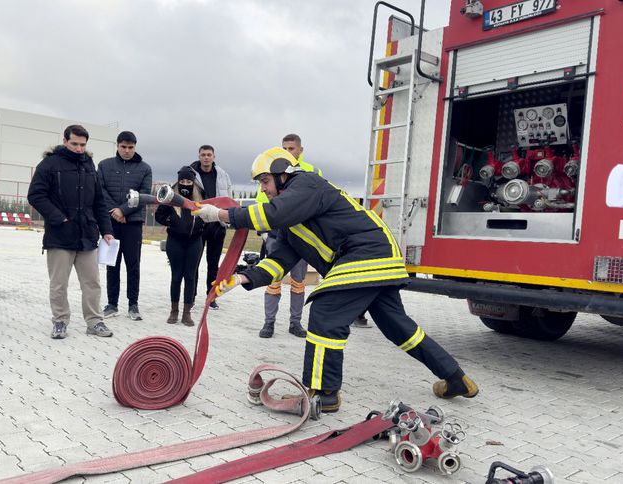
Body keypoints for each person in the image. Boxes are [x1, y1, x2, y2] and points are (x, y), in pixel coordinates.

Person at [192, 147, 478, 412]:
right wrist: (241, 278)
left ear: (283, 174)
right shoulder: (292, 222)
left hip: (366, 254)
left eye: (265, 181)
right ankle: (455, 378)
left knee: (325, 313)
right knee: (398, 327)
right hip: (375, 257)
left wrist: (222, 214)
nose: (263, 189)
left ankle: (324, 394)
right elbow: (279, 261)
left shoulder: (306, 184)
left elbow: (272, 214)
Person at [28, 125, 115, 339]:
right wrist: (59, 218)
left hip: (87, 236)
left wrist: (106, 229)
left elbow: (99, 201)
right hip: (59, 236)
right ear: (65, 140)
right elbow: (36, 195)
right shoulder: (49, 164)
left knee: (92, 282)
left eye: (82, 145)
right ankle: (60, 321)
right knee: (59, 284)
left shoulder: (89, 165)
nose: (78, 149)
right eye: (74, 144)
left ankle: (95, 322)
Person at [254, 134, 321, 338]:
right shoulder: (271, 171)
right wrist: (265, 233)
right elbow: (261, 202)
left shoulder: (312, 172)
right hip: (277, 236)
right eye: (284, 148)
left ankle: (295, 323)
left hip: (301, 236)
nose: (287, 152)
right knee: (273, 280)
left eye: (291, 148)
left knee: (299, 282)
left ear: (300, 150)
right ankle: (269, 323)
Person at [97, 131, 152, 321]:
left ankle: (133, 305)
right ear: (117, 146)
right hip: (110, 223)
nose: (127, 151)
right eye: (123, 147)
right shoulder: (104, 165)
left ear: (135, 147)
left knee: (133, 264)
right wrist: (115, 211)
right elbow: (100, 190)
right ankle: (112, 304)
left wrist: (123, 211)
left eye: (131, 147)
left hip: (132, 223)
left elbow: (143, 195)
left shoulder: (145, 168)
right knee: (112, 264)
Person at [154, 166, 205, 326]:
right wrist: (171, 222)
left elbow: (210, 213)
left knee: (190, 277)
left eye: (188, 181)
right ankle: (174, 311)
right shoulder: (169, 195)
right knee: (176, 276)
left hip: (195, 241)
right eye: (182, 181)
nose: (185, 184)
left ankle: (187, 312)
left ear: (193, 182)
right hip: (175, 240)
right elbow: (159, 215)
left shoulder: (201, 194)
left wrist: (202, 226)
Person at [190, 145, 232, 310]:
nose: (206, 157)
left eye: (209, 155)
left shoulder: (223, 175)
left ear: (214, 156)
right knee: (194, 262)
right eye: (203, 155)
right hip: (198, 225)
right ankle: (190, 296)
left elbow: (228, 196)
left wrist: (227, 218)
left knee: (213, 264)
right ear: (199, 156)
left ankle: (212, 296)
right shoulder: (191, 174)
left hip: (217, 224)